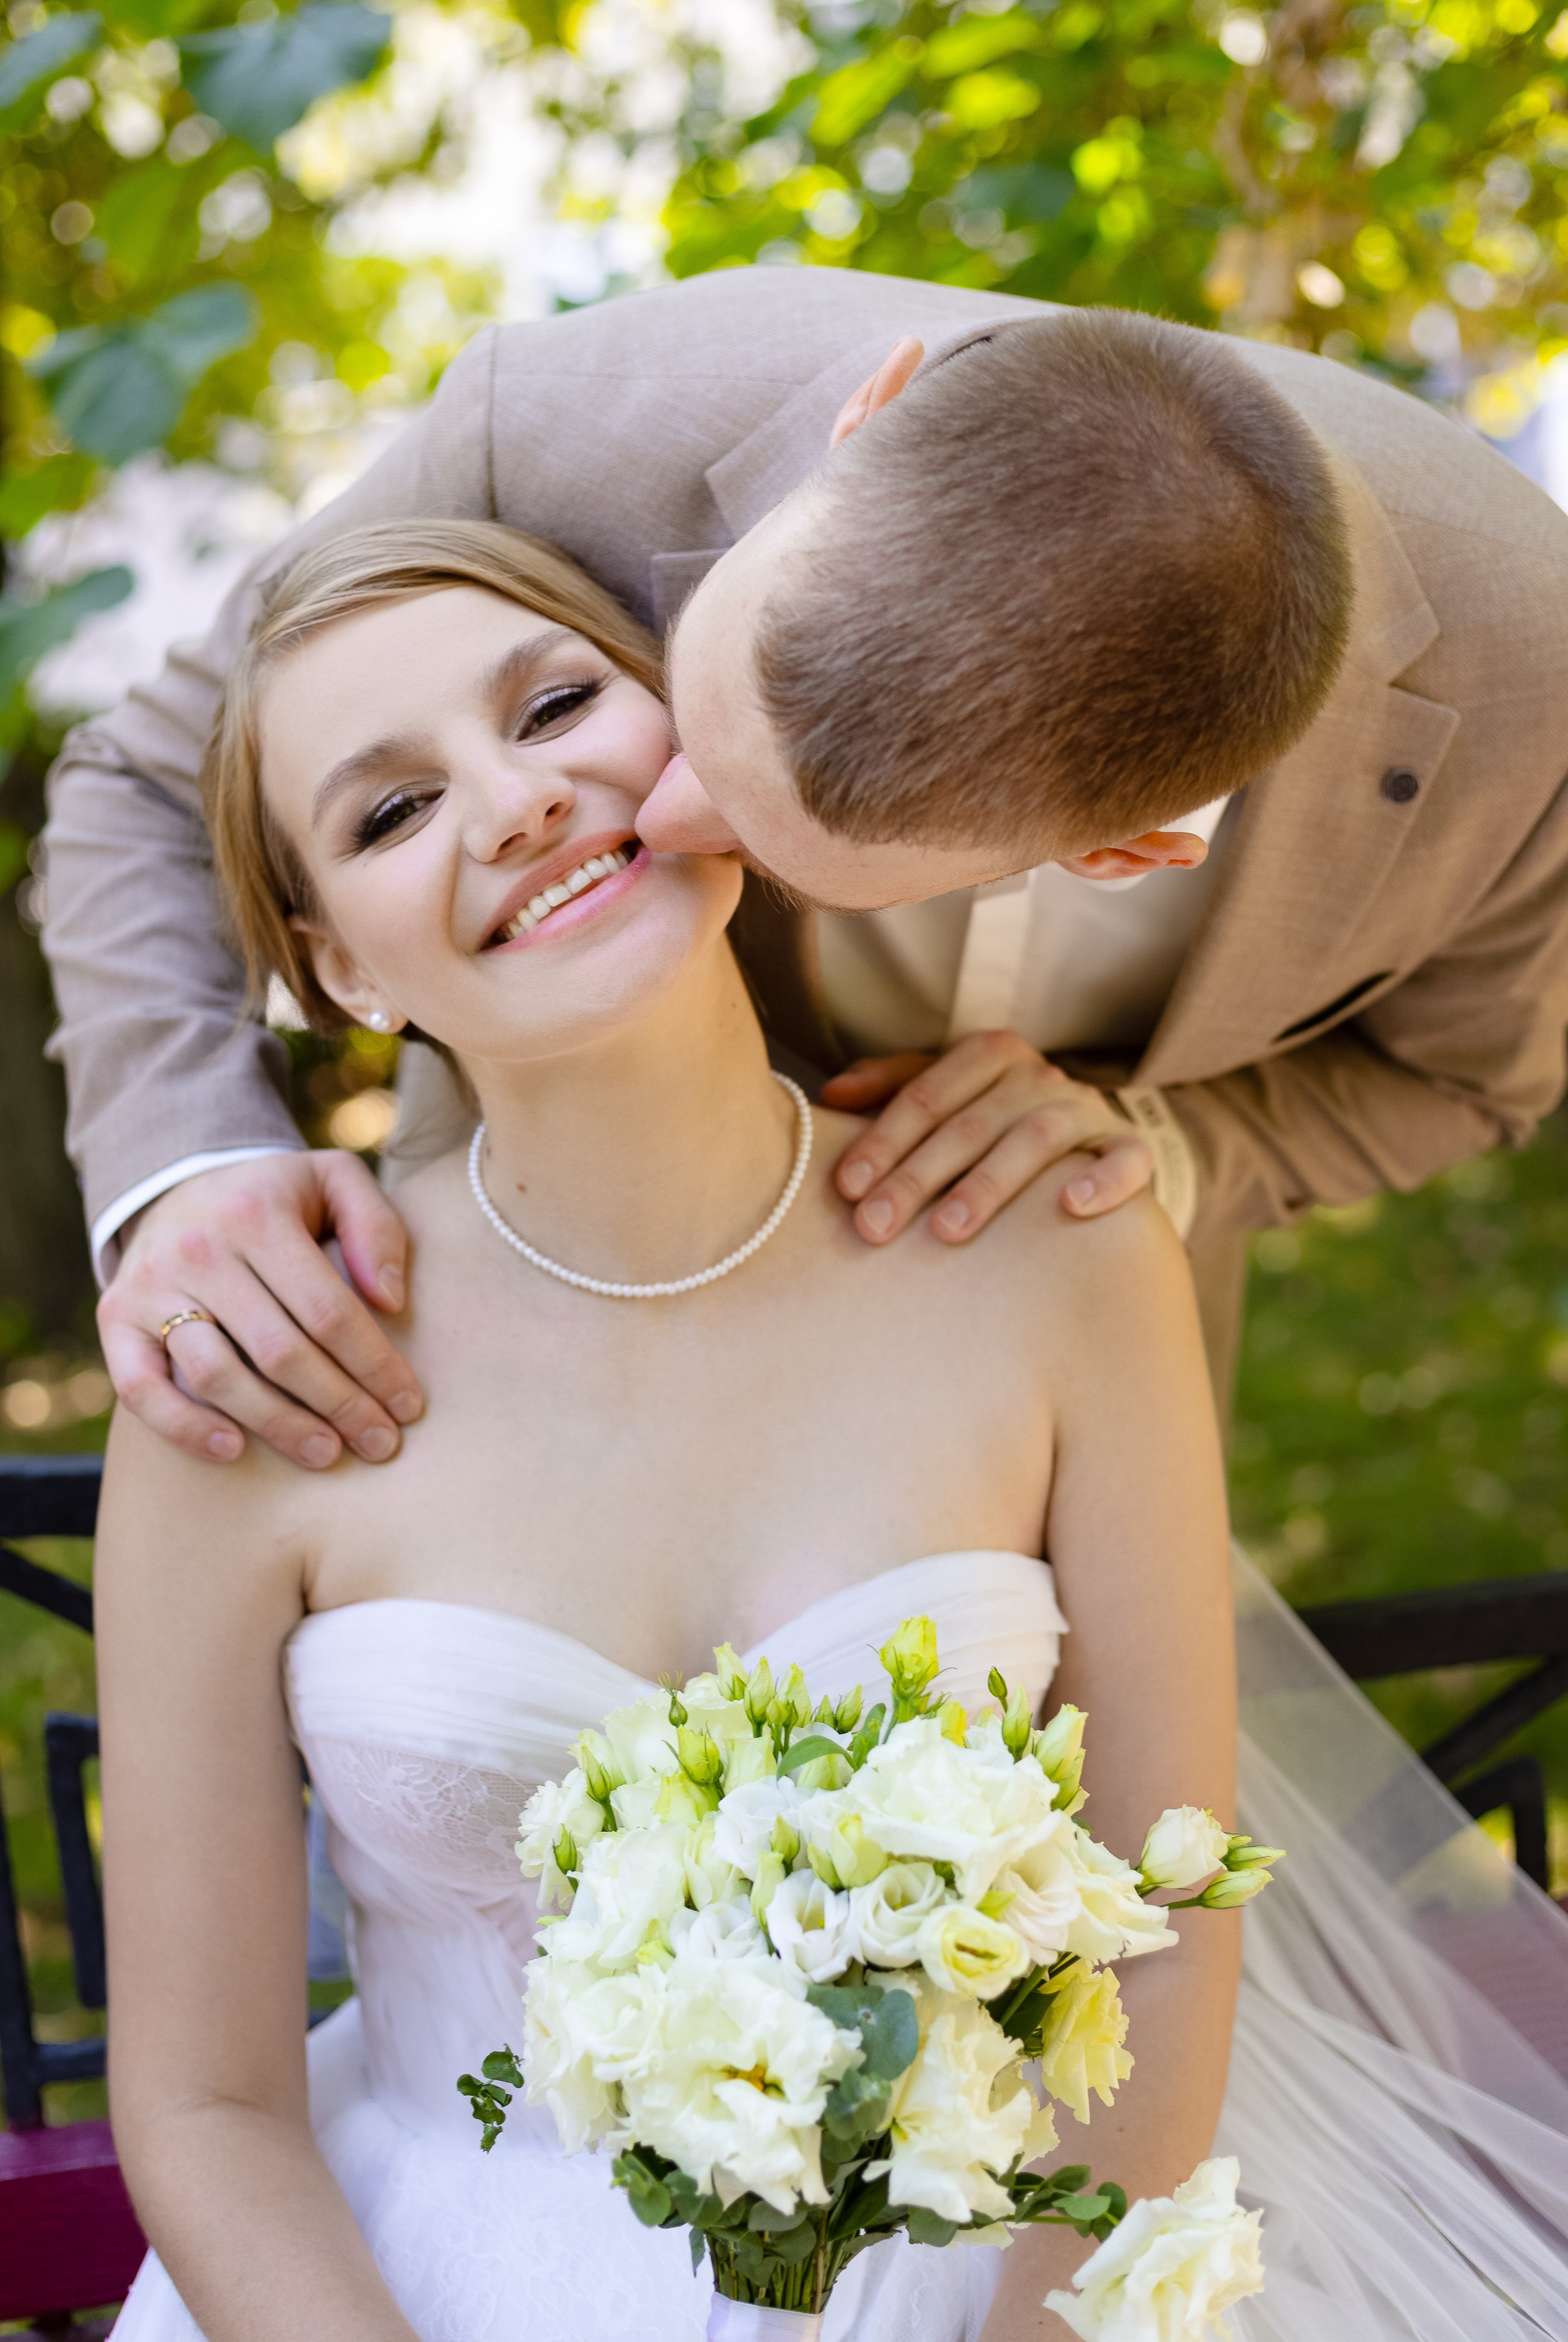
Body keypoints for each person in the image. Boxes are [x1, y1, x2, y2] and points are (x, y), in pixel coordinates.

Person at [96, 519, 1568, 2342]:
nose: (519, 802)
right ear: (333, 966)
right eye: (390, 814)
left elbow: (1171, 1921)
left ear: (703, 745)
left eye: (558, 706)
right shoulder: (253, 1377)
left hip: (999, 2276)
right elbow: (207, 2107)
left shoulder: (1052, 1253)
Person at [44, 273, 1568, 1478]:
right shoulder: (569, 425)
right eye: (682, 704)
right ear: (866, 413)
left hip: (1058, 1407)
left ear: (1123, 854)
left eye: (770, 847)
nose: (655, 815)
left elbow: (1460, 1084)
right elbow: (143, 775)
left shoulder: (1534, 709)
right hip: (510, 1338)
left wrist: (1158, 1148)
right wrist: (192, 1163)